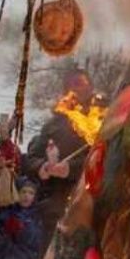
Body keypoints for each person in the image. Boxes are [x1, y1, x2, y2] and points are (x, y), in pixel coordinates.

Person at [24, 71, 97, 248]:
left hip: (89, 206)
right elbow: (30, 158)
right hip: (53, 207)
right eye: (71, 84)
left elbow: (103, 158)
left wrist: (71, 169)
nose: (76, 88)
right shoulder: (52, 124)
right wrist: (42, 167)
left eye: (80, 83)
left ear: (90, 88)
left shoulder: (99, 120)